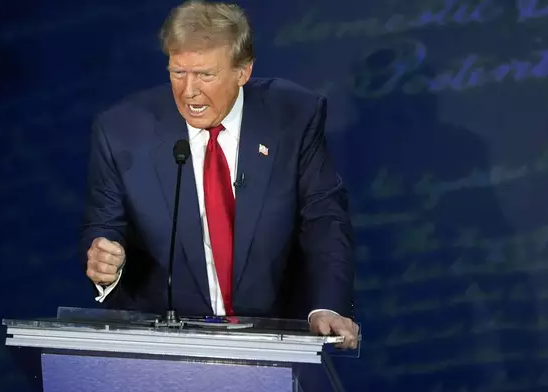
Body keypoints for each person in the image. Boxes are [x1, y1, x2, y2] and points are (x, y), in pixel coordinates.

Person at [81, 0, 358, 349]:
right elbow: (102, 227)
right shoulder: (120, 131)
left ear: (243, 71)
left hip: (272, 340)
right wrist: (106, 262)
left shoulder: (293, 116)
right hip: (164, 347)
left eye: (205, 75)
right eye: (178, 73)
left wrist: (327, 306)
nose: (189, 91)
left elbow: (324, 219)